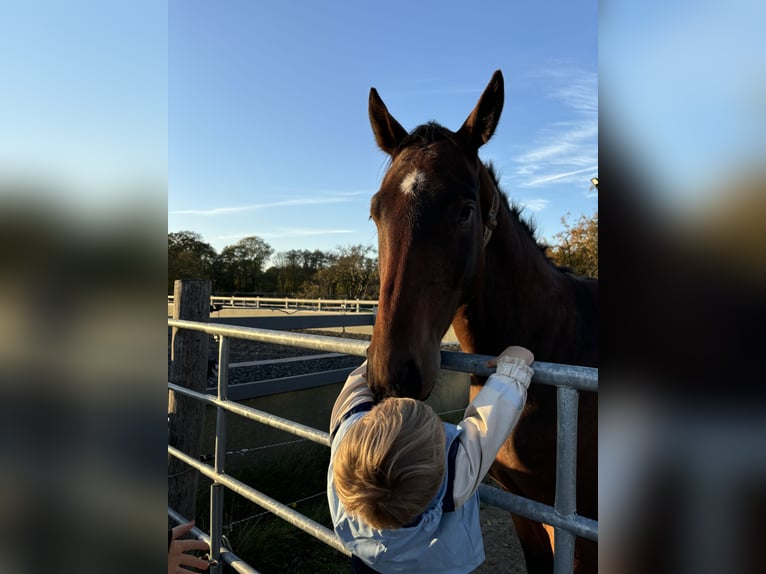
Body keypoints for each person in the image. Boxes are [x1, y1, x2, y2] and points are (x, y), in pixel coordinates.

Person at [327, 345, 534, 574]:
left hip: (368, 564)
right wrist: (516, 365)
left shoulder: (346, 438)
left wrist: (385, 353)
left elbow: (355, 390)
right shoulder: (455, 475)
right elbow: (490, 422)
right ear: (442, 464)